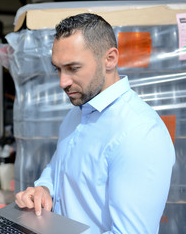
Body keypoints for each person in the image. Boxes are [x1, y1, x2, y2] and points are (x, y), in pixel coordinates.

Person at [15, 13, 175, 233]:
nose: (63, 82)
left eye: (73, 68)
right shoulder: (78, 112)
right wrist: (44, 188)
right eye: (58, 69)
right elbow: (57, 168)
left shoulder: (139, 133)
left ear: (110, 59)